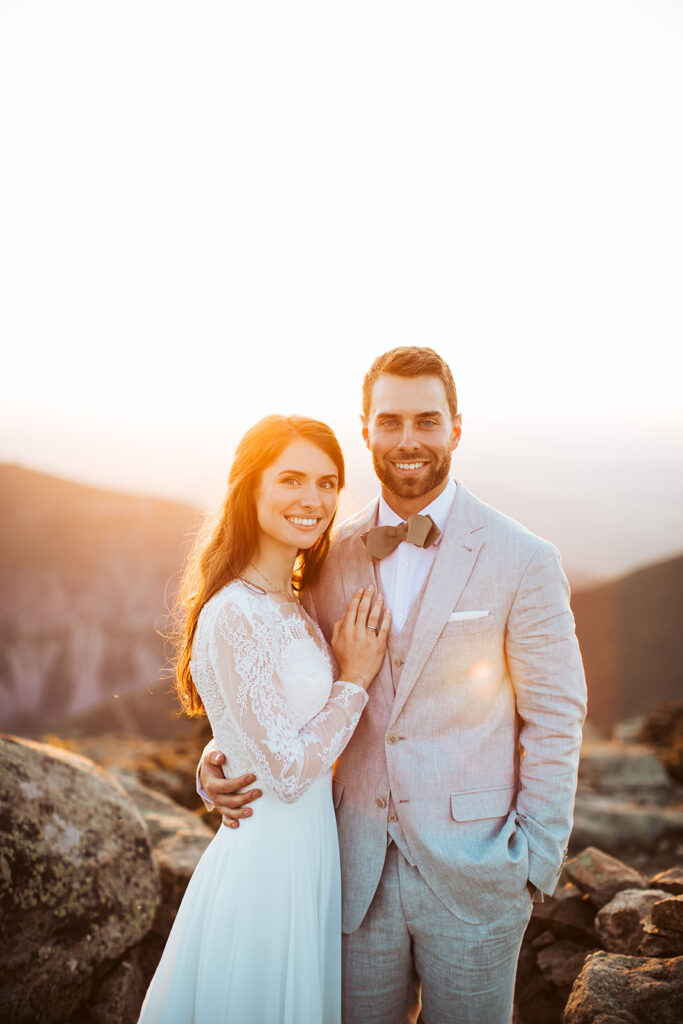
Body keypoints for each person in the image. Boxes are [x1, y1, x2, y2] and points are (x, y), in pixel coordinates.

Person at [199, 347, 587, 1024]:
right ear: (366, 429)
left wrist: (531, 859)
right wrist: (219, 758)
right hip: (349, 877)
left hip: (476, 878)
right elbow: (282, 683)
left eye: (426, 421)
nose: (408, 440)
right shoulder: (322, 556)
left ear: (455, 428)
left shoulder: (523, 559)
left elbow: (556, 715)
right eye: (390, 422)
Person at [138, 414, 390, 1023]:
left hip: (308, 851)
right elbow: (281, 772)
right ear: (249, 488)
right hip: (268, 864)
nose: (314, 499)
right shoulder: (234, 614)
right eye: (292, 480)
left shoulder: (292, 599)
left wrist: (218, 755)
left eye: (329, 483)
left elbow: (262, 723)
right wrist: (354, 679)